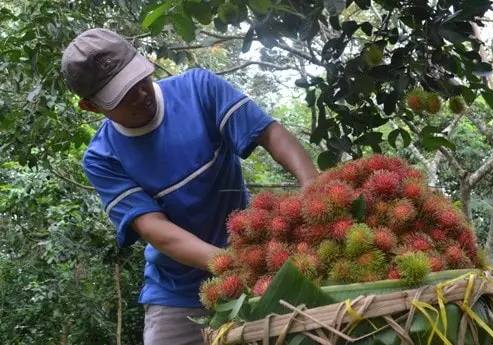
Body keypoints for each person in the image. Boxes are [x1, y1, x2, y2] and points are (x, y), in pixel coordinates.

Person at [60, 28, 319, 344]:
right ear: (92, 107)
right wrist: (233, 265)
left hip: (253, 264)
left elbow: (270, 134)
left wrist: (313, 190)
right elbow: (158, 231)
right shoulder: (103, 157)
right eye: (123, 97)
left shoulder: (199, 88)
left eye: (138, 81)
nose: (140, 96)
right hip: (176, 293)